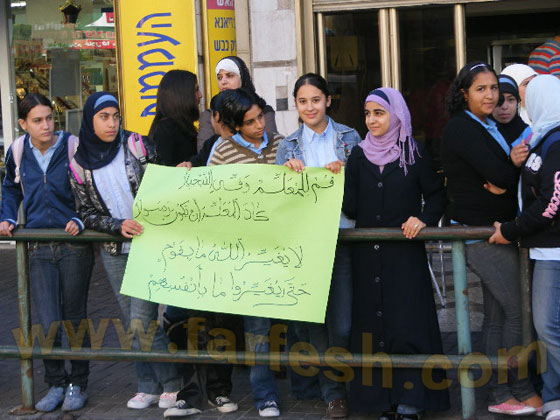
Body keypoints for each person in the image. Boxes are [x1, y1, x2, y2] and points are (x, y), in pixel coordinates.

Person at [69, 92, 182, 411]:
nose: (112, 123)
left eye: (116, 116)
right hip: (114, 250)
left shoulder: (136, 145)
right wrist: (116, 225)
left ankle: (173, 382)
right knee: (131, 322)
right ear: (90, 121)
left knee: (141, 321)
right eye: (104, 117)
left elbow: (164, 183)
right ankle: (147, 385)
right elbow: (85, 211)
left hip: (148, 244)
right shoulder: (79, 163)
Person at [441, 61, 541, 416]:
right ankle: (514, 389)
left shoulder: (487, 124)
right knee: (517, 311)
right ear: (464, 93)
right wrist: (509, 169)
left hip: (494, 230)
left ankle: (503, 392)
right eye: (480, 89)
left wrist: (504, 178)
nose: (490, 95)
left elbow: (503, 179)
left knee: (499, 317)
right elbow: (502, 174)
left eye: (493, 88)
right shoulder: (461, 127)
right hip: (479, 234)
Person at [343, 87, 448, 420]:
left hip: (404, 257)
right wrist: (334, 177)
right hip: (366, 258)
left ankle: (411, 400)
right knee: (372, 325)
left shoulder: (413, 153)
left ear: (396, 115)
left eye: (379, 113)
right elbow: (350, 206)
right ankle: (378, 401)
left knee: (407, 323)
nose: (372, 120)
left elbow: (436, 196)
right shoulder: (358, 156)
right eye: (367, 114)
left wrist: (423, 218)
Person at [0, 93, 94, 412]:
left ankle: (78, 384)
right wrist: (8, 216)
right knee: (47, 319)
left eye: (49, 118)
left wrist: (81, 218)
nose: (46, 126)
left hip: (74, 245)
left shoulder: (71, 146)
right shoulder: (17, 150)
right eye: (37, 120)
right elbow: (10, 188)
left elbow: (90, 188)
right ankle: (55, 383)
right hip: (38, 245)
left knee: (74, 317)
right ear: (23, 123)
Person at [276, 73, 361, 418]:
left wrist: (346, 173)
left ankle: (344, 382)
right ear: (296, 105)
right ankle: (334, 394)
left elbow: (365, 185)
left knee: (342, 324)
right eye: (302, 101)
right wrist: (287, 173)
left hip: (342, 238)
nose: (309, 107)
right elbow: (279, 201)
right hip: (305, 244)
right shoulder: (288, 146)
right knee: (314, 322)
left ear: (328, 100)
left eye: (315, 100)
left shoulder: (350, 137)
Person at [490, 74, 560, 420]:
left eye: (525, 99)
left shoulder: (556, 141)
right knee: (547, 326)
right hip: (543, 248)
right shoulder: (542, 136)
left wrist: (512, 229)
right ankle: (553, 398)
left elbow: (552, 202)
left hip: (553, 249)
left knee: (546, 326)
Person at [210, 88, 283, 417]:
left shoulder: (281, 144)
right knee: (257, 327)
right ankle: (265, 396)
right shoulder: (223, 152)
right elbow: (211, 199)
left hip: (282, 249)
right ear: (236, 125)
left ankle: (306, 387)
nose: (259, 125)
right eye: (250, 122)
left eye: (260, 117)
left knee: (289, 323)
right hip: (244, 254)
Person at [197, 56, 277, 150]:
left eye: (230, 76)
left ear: (242, 78)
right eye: (219, 77)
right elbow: (204, 150)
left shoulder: (263, 111)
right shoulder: (211, 115)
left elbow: (272, 147)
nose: (223, 82)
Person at [148, 69, 201, 166]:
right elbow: (164, 169)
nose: (200, 95)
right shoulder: (166, 129)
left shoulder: (182, 126)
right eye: (196, 90)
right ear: (182, 95)